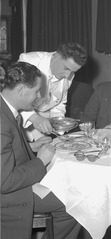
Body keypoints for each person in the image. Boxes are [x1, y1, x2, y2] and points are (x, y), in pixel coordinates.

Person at [0, 62, 82, 239]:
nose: (38, 96)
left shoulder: (6, 107)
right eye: (36, 91)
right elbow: (5, 182)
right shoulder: (1, 121)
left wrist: (31, 147)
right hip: (8, 197)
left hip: (13, 183)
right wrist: (41, 161)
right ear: (21, 90)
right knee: (76, 204)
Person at [18, 42, 87, 141]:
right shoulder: (28, 61)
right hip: (19, 122)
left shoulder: (69, 74)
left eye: (72, 71)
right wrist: (35, 118)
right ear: (57, 56)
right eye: (66, 68)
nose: (68, 76)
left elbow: (59, 103)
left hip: (43, 122)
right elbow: (16, 98)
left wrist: (59, 129)